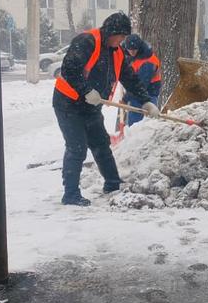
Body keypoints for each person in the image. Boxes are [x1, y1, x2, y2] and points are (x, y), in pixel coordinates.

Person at [53, 13, 160, 206]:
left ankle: (112, 183)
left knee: (101, 143)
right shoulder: (87, 41)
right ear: (112, 32)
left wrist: (146, 101)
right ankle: (70, 194)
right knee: (77, 147)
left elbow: (130, 78)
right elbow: (69, 69)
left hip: (91, 105)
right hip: (68, 103)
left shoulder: (117, 52)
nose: (122, 41)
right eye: (120, 36)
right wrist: (85, 90)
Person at [121, 34, 162, 125]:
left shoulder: (148, 63)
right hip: (136, 93)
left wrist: (125, 98)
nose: (132, 52)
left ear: (139, 47)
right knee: (134, 124)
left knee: (147, 124)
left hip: (149, 93)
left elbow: (140, 85)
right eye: (130, 50)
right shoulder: (130, 55)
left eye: (134, 50)